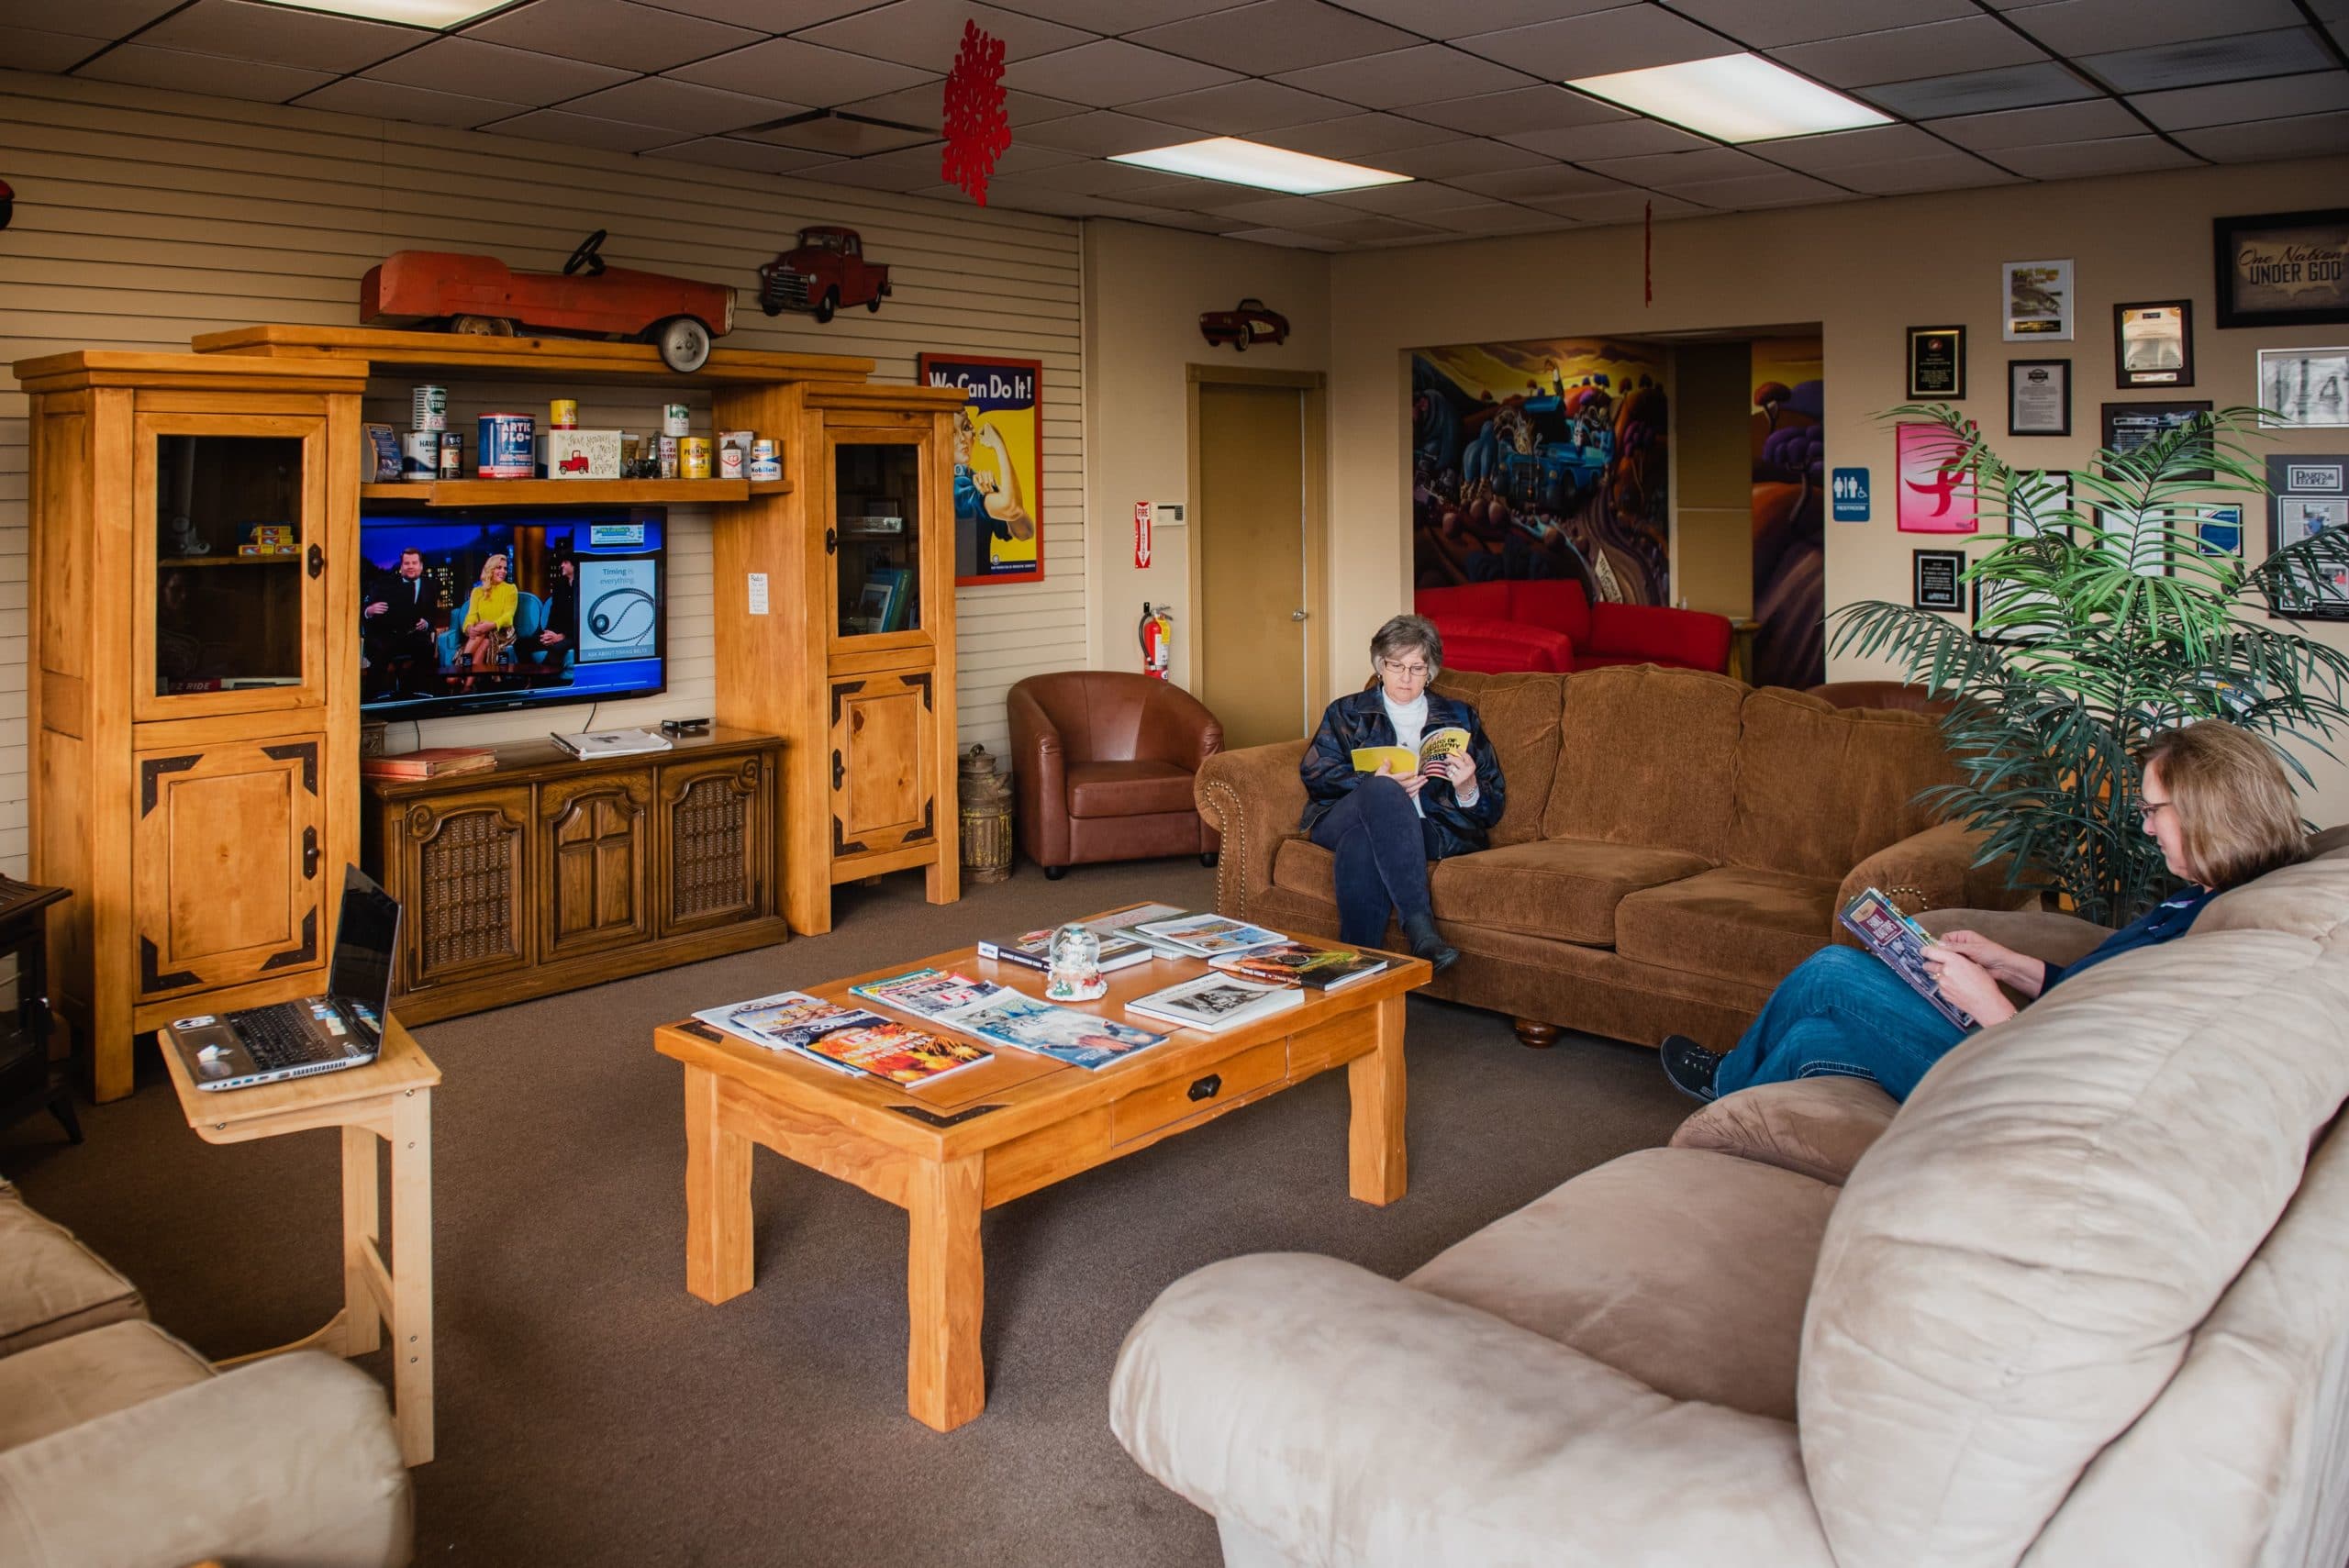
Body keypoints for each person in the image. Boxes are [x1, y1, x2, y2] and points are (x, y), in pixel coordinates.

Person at [1660, 720, 2310, 1104]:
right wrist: (2009, 962)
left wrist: (1990, 1005)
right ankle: (1729, 1118)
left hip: (2023, 1070)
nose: (2144, 828)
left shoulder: (2215, 939)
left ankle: (1724, 1083)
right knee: (1809, 1040)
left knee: (1833, 969)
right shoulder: (2199, 897)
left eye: (2151, 811)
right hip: (2027, 1038)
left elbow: (2107, 1073)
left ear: (2205, 812)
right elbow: (2099, 998)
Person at [1298, 614, 1505, 974]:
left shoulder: (1460, 717)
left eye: (1417, 668)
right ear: (1380, 666)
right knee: (1381, 788)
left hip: (1429, 829)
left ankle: (1354, 974)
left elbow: (1493, 803)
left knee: (1362, 844)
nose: (1406, 678)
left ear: (1431, 672)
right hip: (1343, 815)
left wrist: (1468, 788)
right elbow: (1315, 773)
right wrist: (1368, 781)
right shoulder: (1347, 713)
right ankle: (1420, 929)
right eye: (1397, 666)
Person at [952, 408, 1035, 577]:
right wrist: (999, 445)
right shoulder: (952, 486)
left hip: (980, 587)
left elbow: (1025, 531)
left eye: (966, 428)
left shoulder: (977, 481)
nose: (962, 439)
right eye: (950, 433)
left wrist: (996, 493)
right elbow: (1012, 508)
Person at [362, 546, 436, 696]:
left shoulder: (431, 585)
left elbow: (432, 613)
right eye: (407, 563)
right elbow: (364, 607)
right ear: (401, 566)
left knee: (427, 650)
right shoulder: (385, 583)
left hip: (415, 635)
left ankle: (406, 692)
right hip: (388, 635)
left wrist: (426, 623)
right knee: (381, 652)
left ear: (421, 566)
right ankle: (368, 701)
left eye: (414, 563)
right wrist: (369, 610)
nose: (410, 567)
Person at [455, 551, 517, 679]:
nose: (503, 571)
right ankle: (467, 687)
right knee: (483, 638)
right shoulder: (477, 592)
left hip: (502, 631)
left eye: (505, 568)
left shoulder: (510, 589)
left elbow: (508, 616)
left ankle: (458, 670)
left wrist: (492, 625)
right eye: (499, 567)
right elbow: (471, 615)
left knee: (484, 629)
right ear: (490, 569)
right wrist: (469, 628)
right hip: (481, 633)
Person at [533, 548, 578, 665]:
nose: (561, 565)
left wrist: (561, 637)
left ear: (574, 565)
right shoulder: (559, 584)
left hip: (574, 635)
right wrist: (547, 633)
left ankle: (542, 680)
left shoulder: (583, 585)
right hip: (556, 632)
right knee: (522, 644)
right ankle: (528, 677)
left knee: (556, 648)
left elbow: (581, 619)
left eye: (565, 562)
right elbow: (554, 612)